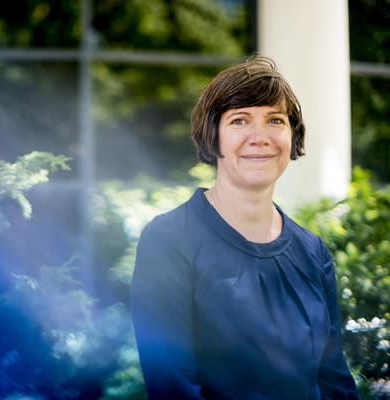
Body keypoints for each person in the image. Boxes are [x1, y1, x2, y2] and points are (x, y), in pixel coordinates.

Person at [130, 56, 359, 400]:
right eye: (240, 120)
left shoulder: (312, 252)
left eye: (275, 120)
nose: (260, 136)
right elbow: (172, 389)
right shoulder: (169, 241)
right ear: (213, 135)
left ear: (292, 135)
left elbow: (335, 383)